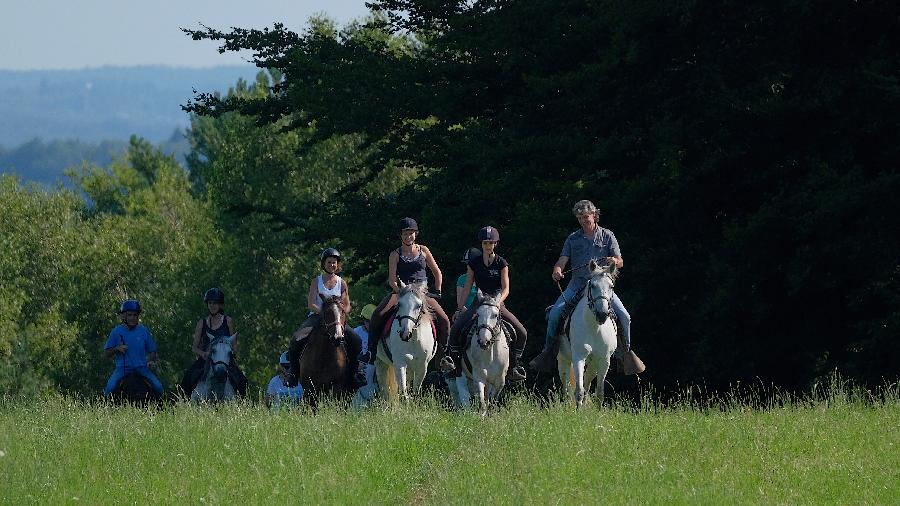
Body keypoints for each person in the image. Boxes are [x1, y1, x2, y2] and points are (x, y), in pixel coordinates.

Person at [529, 199, 632, 372]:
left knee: (625, 316)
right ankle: (548, 353)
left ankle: (625, 353)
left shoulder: (608, 235)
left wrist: (614, 260)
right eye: (580, 218)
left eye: (586, 216)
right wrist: (557, 270)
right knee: (554, 314)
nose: (584, 220)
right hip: (577, 285)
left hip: (601, 287)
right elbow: (562, 260)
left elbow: (620, 261)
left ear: (594, 215)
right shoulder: (572, 238)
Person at [440, 226, 528, 381]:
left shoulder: (502, 263)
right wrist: (460, 308)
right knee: (456, 329)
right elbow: (467, 286)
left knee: (522, 332)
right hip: (479, 301)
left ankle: (514, 366)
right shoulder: (474, 263)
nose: (488, 246)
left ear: (495, 244)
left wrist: (497, 303)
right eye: (485, 243)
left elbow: (506, 288)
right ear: (481, 244)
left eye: (491, 243)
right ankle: (454, 363)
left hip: (497, 301)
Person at [365, 217, 451, 365]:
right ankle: (371, 352)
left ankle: (443, 358)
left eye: (411, 233)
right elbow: (392, 280)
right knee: (377, 314)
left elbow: (437, 272)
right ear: (400, 235)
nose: (408, 236)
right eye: (405, 233)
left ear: (416, 234)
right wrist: (401, 292)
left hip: (422, 293)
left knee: (445, 320)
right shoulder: (395, 254)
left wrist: (438, 290)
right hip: (401, 292)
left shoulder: (424, 250)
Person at [291, 248, 365, 387]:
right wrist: (325, 314)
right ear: (323, 264)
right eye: (329, 262)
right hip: (317, 316)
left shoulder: (342, 283)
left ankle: (356, 373)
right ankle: (294, 373)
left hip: (337, 318)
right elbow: (311, 303)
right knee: (296, 339)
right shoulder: (316, 281)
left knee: (356, 340)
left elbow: (347, 304)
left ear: (338, 265)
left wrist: (342, 312)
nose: (332, 265)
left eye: (334, 262)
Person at [179, 287, 248, 396]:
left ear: (220, 304)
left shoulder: (228, 321)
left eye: (215, 303)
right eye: (210, 303)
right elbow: (194, 347)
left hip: (225, 360)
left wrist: (231, 353)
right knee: (188, 376)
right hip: (206, 360)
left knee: (242, 380)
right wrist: (203, 353)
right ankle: (182, 402)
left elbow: (234, 345)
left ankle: (243, 404)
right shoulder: (201, 323)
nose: (212, 306)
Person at [103, 299, 164, 397]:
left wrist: (150, 361)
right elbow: (106, 353)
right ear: (123, 316)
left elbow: (152, 351)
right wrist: (116, 348)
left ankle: (163, 409)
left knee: (159, 387)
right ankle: (104, 410)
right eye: (130, 315)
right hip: (122, 369)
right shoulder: (116, 332)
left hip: (142, 368)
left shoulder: (144, 331)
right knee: (109, 389)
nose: (133, 318)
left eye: (135, 315)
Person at [353, 304, 377, 386]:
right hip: (358, 363)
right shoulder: (356, 332)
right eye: (368, 321)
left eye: (373, 322)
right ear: (363, 320)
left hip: (372, 364)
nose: (370, 324)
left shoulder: (378, 334)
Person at [454, 247, 480, 322]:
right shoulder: (462, 279)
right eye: (467, 263)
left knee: (515, 323)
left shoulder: (486, 277)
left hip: (485, 313)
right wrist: (470, 314)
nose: (469, 266)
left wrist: (480, 314)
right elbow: (460, 302)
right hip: (467, 313)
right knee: (455, 329)